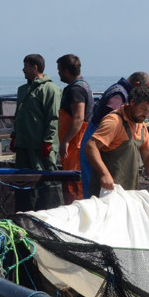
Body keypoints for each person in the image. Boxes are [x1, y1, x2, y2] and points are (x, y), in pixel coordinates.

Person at [84, 85, 149, 199]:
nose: (146, 114)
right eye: (144, 109)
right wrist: (104, 174)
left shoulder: (141, 124)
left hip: (128, 192)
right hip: (106, 192)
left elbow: (148, 154)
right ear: (132, 102)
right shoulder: (114, 121)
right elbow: (91, 146)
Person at [79, 71, 149, 197]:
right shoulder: (118, 96)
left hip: (94, 137)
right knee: (94, 192)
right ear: (137, 84)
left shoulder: (118, 90)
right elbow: (111, 120)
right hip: (97, 142)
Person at [10, 54, 64, 210]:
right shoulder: (22, 90)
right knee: (23, 182)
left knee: (47, 181)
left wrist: (48, 141)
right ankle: (24, 214)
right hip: (23, 145)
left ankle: (52, 212)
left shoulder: (51, 89)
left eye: (25, 66)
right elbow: (18, 115)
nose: (23, 69)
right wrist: (14, 136)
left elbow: (53, 117)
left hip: (40, 146)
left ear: (35, 67)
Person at [56, 54, 94, 204]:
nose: (58, 73)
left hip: (76, 143)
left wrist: (65, 141)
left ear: (66, 70)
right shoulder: (83, 85)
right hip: (77, 141)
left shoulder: (75, 90)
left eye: (59, 70)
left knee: (74, 181)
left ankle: (76, 213)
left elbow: (78, 118)